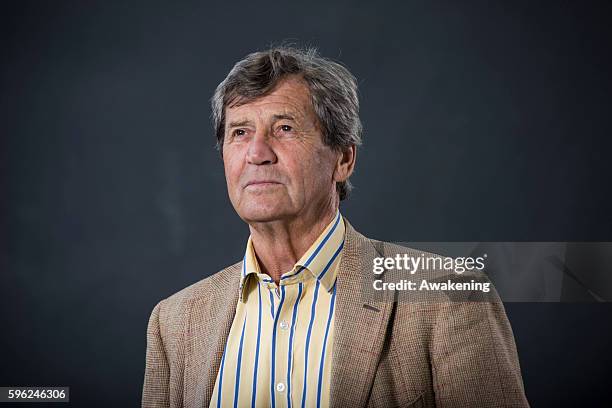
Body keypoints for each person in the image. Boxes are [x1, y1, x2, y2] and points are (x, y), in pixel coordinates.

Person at [142, 45, 529, 408]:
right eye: (239, 133)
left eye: (285, 128)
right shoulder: (175, 323)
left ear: (343, 159)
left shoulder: (446, 297)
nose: (257, 153)